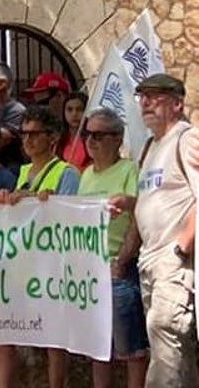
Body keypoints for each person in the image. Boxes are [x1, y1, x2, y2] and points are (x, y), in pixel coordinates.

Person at [114, 73, 198, 387]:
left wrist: (181, 248)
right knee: (175, 350)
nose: (146, 102)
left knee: (166, 339)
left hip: (172, 261)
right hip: (149, 261)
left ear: (177, 103)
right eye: (142, 96)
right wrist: (128, 203)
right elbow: (152, 202)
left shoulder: (187, 138)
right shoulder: (149, 146)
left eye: (155, 96)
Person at [0, 105, 80, 388]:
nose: (27, 140)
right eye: (23, 134)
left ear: (51, 137)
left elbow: (70, 215)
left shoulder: (67, 172)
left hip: (51, 266)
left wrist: (31, 199)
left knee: (54, 338)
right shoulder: (22, 171)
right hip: (21, 265)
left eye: (34, 134)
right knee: (5, 333)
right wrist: (5, 200)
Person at [77, 108, 148, 388]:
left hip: (120, 270)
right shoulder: (85, 176)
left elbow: (139, 215)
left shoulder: (130, 170)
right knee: (99, 350)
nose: (90, 141)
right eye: (86, 134)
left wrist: (122, 260)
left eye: (97, 135)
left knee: (132, 351)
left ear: (117, 138)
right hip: (91, 273)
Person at [56, 91, 90, 171]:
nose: (74, 114)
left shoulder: (92, 139)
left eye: (79, 109)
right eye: (69, 109)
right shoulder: (58, 141)